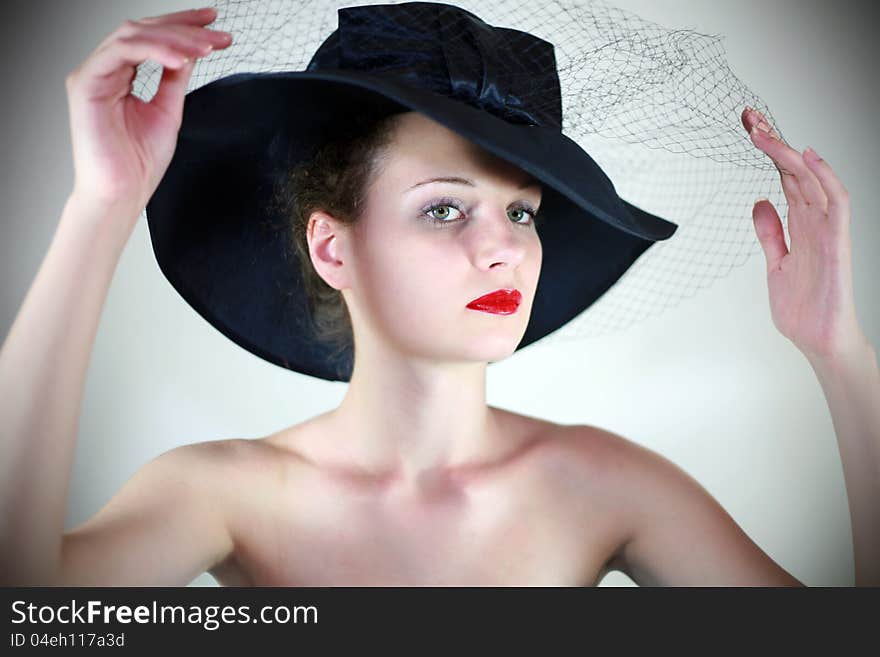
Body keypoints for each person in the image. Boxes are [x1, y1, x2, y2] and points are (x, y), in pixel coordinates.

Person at [1, 4, 877, 587]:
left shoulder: (604, 484)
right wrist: (99, 208)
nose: (503, 249)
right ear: (332, 245)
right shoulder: (223, 491)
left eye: (524, 213)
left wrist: (840, 353)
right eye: (445, 207)